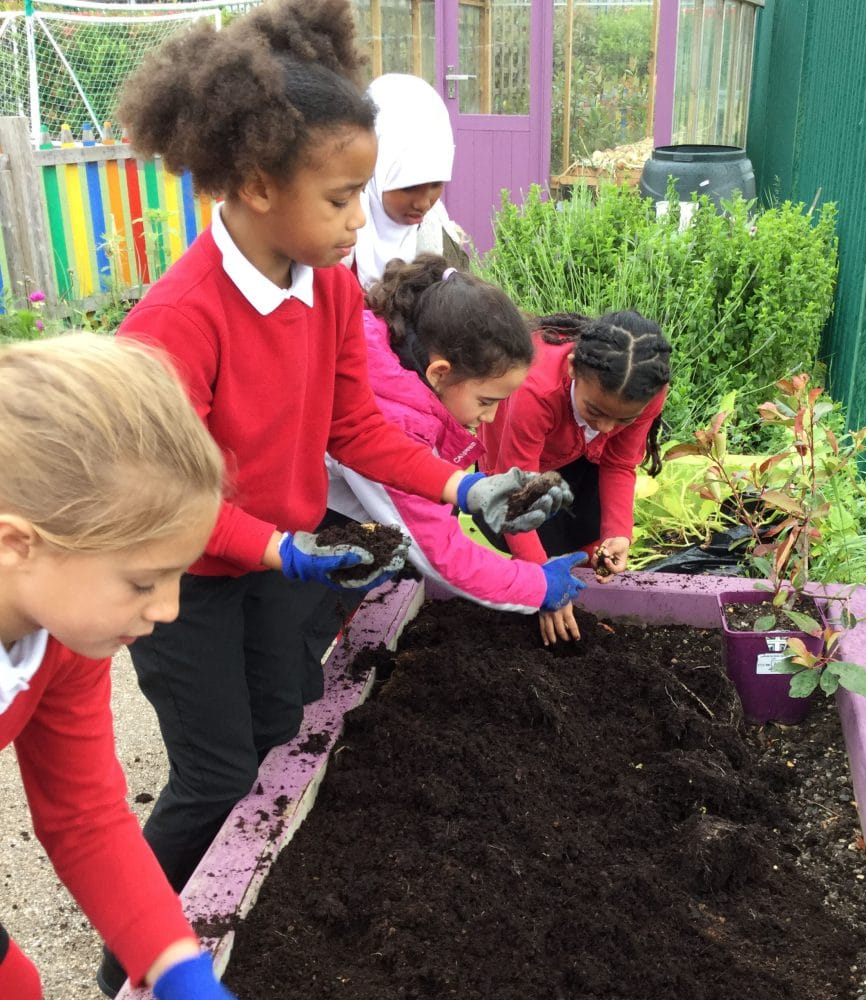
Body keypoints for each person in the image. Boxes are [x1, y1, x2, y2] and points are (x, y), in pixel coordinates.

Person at [97, 1, 571, 993]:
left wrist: (465, 484)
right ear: (260, 185)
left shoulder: (328, 292)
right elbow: (158, 501)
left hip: (279, 557)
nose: (363, 222)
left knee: (282, 727)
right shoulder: (178, 322)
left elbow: (350, 427)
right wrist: (277, 551)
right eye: (344, 197)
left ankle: (226, 911)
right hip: (182, 577)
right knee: (216, 771)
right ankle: (132, 958)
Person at [0, 333, 232, 1000]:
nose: (169, 609)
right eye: (142, 582)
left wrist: (177, 968)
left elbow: (85, 816)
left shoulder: (64, 637)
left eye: (178, 576)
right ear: (18, 543)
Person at [326, 255, 588, 645]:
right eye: (486, 401)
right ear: (439, 372)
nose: (490, 417)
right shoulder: (393, 418)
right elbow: (439, 553)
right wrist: (537, 586)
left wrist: (471, 491)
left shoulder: (389, 349)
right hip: (276, 543)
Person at [476, 310, 672, 639]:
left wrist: (619, 534)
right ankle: (535, 596)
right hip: (511, 474)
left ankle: (580, 605)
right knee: (538, 544)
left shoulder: (645, 393)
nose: (607, 428)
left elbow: (619, 463)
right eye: (595, 411)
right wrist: (542, 581)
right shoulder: (536, 390)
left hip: (579, 457)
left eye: (622, 420)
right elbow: (514, 494)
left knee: (590, 533)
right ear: (571, 369)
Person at [349, 72, 468, 289]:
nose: (423, 204)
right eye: (409, 187)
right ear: (375, 171)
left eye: (436, 185)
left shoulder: (437, 235)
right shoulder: (339, 241)